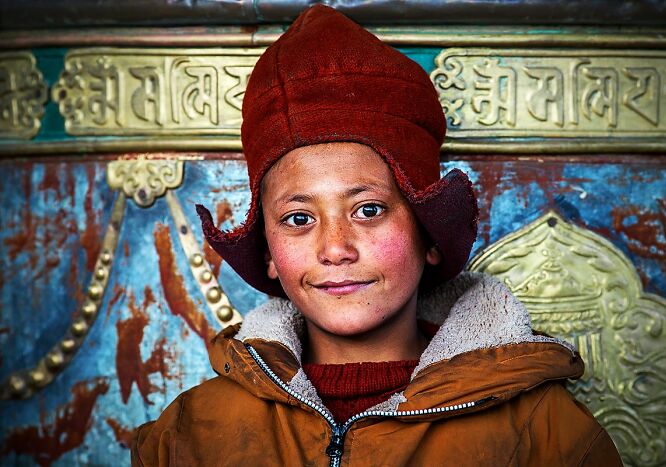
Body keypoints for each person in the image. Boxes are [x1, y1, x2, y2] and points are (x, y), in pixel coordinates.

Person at [131, 5, 622, 466]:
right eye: (299, 219)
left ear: (428, 236)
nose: (335, 248)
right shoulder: (189, 434)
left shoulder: (545, 432)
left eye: (368, 210)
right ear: (269, 254)